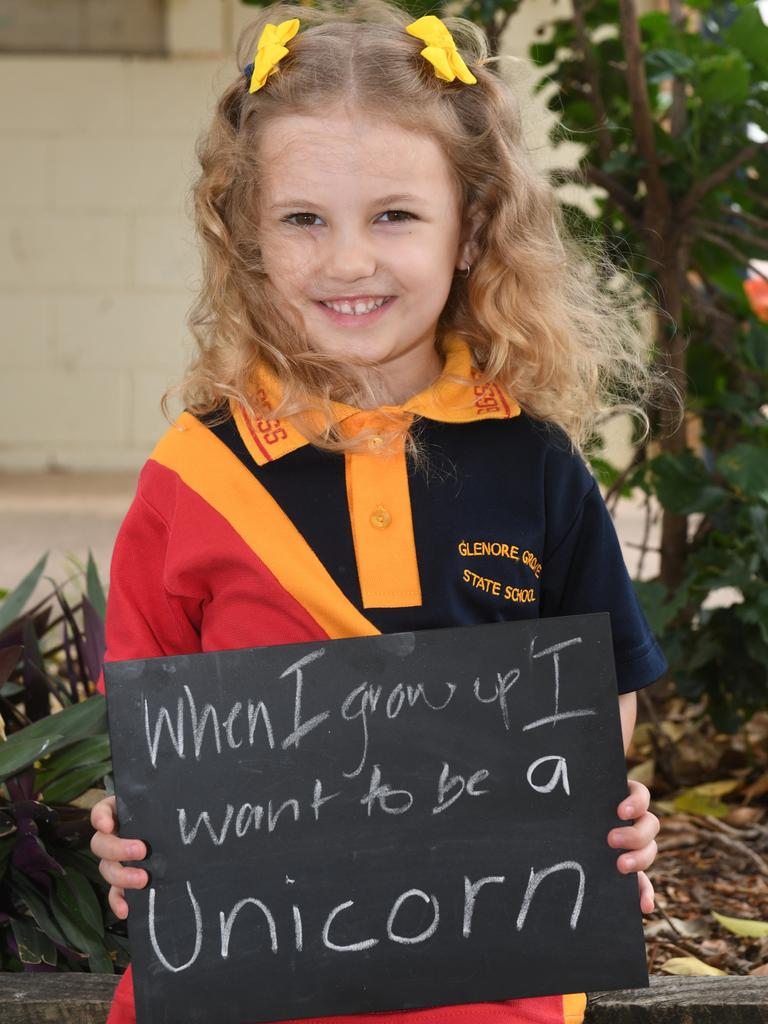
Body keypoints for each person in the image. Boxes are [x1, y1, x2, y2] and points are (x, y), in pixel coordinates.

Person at [91, 2, 669, 1022]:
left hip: (495, 993)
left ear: (472, 229)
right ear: (249, 238)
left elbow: (598, 707)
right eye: (304, 218)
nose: (348, 261)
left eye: (394, 215)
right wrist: (124, 830)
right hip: (247, 987)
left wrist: (607, 819)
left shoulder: (537, 464)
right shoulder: (191, 477)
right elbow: (148, 739)